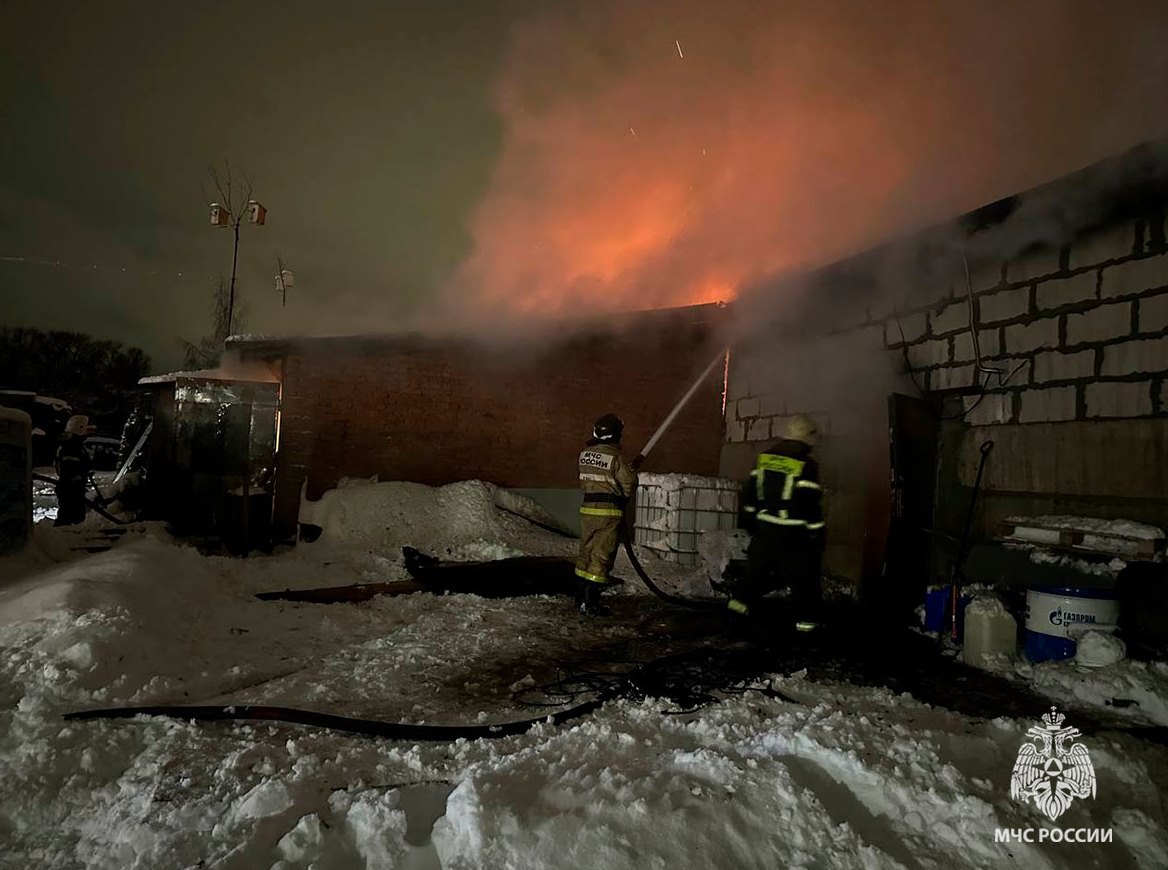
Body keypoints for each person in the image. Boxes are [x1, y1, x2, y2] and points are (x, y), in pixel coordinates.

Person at [727, 414, 825, 632]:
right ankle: (806, 628)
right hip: (794, 534)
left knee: (753, 575)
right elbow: (810, 506)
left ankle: (735, 615)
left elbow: (750, 495)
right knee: (804, 581)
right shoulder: (806, 464)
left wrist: (751, 523)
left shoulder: (764, 458)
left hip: (766, 531)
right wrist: (817, 534)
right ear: (807, 439)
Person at [575, 413, 641, 616]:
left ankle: (580, 597)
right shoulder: (616, 457)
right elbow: (628, 482)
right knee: (602, 556)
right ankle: (591, 602)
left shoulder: (585, 454)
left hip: (587, 509)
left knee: (586, 551)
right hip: (608, 512)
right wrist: (625, 497)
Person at [55, 414, 94, 526]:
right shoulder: (72, 447)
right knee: (70, 516)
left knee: (71, 515)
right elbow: (69, 468)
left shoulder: (73, 446)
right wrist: (78, 477)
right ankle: (60, 539)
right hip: (71, 488)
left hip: (72, 487)